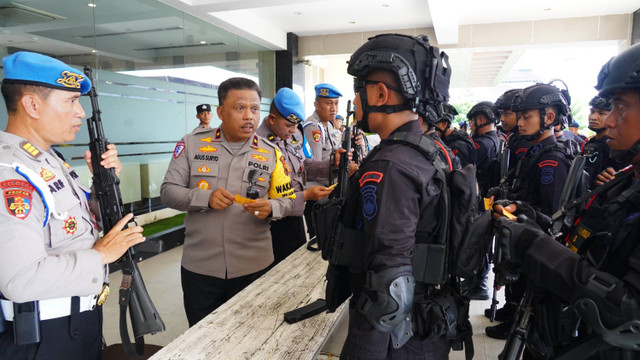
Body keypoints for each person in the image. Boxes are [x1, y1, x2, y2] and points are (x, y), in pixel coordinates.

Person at [492, 42, 640, 359]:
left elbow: (629, 313)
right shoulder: (627, 182)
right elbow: (586, 245)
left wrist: (536, 247)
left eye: (620, 107)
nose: (609, 120)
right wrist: (531, 221)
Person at [0, 51, 144, 360]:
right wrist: (101, 254)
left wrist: (104, 185)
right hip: (42, 337)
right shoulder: (10, 172)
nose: (80, 113)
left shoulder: (48, 159)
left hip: (75, 323)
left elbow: (70, 225)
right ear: (32, 105)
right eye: (70, 101)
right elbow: (20, 280)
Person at [337, 33, 452, 360]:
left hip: (397, 338)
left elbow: (389, 283)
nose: (356, 102)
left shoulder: (391, 165)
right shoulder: (431, 150)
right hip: (425, 324)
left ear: (380, 93)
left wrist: (361, 351)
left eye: (358, 91)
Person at [160, 77, 295, 327]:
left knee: (250, 339)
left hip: (253, 268)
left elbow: (288, 201)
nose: (249, 116)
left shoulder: (271, 152)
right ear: (221, 112)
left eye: (254, 109)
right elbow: (168, 192)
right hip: (201, 269)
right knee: (201, 339)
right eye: (240, 108)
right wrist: (204, 198)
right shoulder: (191, 144)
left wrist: (272, 208)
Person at [485, 83, 573, 340]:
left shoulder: (551, 160)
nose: (520, 123)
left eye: (527, 117)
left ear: (548, 117)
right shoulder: (534, 152)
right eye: (520, 116)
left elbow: (551, 216)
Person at [256, 87, 340, 265]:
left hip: (294, 216)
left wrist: (333, 164)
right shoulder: (257, 145)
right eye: (288, 125)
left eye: (295, 125)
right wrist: (306, 196)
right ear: (272, 119)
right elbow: (265, 197)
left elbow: (306, 165)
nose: (294, 130)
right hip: (269, 225)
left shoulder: (295, 135)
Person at [582, 95, 623, 188]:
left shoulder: (617, 145)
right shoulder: (589, 143)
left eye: (601, 113)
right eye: (592, 112)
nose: (593, 117)